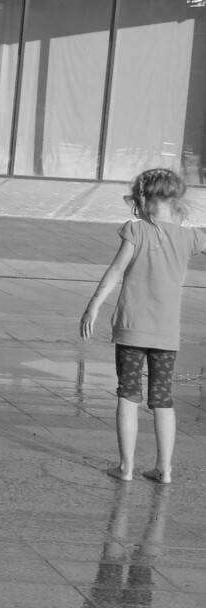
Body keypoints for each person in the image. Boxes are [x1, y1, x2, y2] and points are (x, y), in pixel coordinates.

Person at [80, 167, 206, 483]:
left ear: (142, 200)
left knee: (128, 395)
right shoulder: (191, 237)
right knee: (163, 399)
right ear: (176, 199)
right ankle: (165, 469)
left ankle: (126, 467)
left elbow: (115, 272)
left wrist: (93, 305)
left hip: (131, 330)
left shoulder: (135, 232)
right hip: (166, 335)